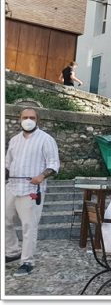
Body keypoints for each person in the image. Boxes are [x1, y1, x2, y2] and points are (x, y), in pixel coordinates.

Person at [4, 108, 60, 277]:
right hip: (12, 187)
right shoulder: (14, 140)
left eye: (32, 117)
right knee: (4, 221)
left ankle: (27, 261)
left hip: (31, 190)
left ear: (38, 120)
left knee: (29, 226)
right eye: (25, 117)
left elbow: (54, 164)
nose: (28, 120)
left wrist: (41, 176)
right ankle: (12, 251)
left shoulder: (46, 139)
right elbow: (7, 164)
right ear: (19, 119)